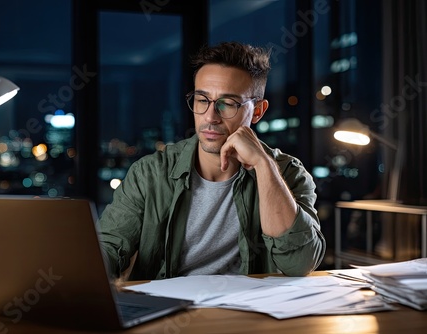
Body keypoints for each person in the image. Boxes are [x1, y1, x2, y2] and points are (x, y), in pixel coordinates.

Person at [98, 41, 326, 280]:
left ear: (257, 111)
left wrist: (263, 165)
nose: (210, 116)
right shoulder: (150, 173)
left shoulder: (287, 173)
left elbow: (300, 263)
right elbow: (109, 248)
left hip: (247, 310)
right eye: (202, 100)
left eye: (227, 103)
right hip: (168, 309)